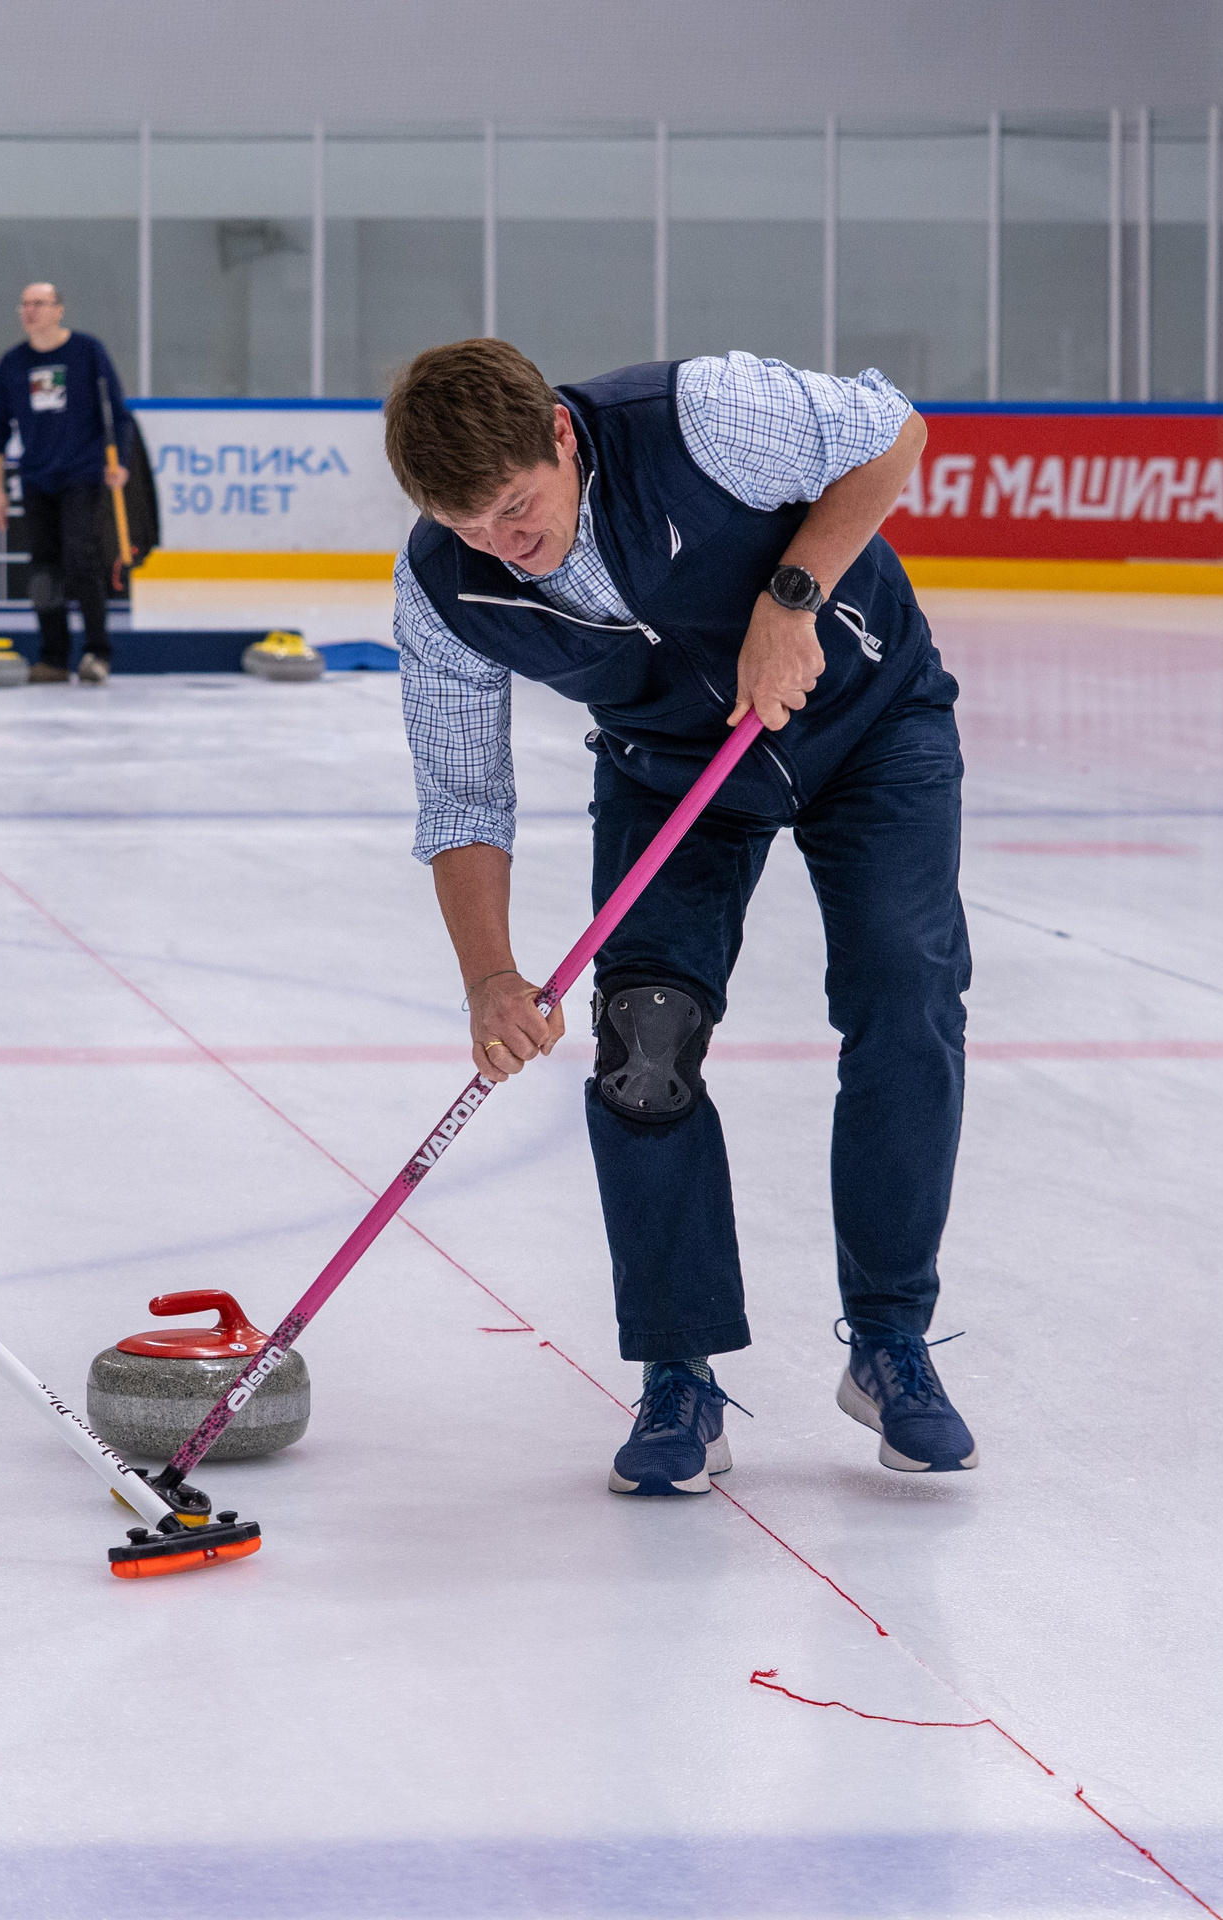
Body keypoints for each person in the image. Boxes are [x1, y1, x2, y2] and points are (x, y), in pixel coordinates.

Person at [383, 339, 976, 1497]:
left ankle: (892, 1342)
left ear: (560, 436)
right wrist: (491, 980)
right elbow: (462, 793)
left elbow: (892, 431)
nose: (506, 549)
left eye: (517, 510)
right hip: (671, 771)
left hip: (867, 717)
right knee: (643, 1041)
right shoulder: (442, 589)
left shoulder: (697, 416)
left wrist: (789, 599)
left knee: (904, 988)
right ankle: (677, 1374)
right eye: (471, 529)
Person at [0, 281, 131, 685]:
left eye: (40, 303)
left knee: (83, 561)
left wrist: (121, 463)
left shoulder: (87, 352)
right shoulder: (12, 364)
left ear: (59, 309)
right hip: (36, 480)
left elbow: (117, 414)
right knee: (43, 570)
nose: (30, 311)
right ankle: (52, 657)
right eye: (25, 303)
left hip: (82, 475)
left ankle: (97, 652)